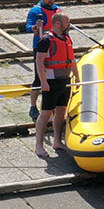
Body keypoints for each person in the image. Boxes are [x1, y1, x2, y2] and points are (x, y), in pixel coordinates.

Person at [33, 12, 76, 158]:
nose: (69, 25)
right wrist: (43, 81)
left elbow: (72, 58)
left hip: (65, 80)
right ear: (58, 23)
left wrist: (77, 75)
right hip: (51, 82)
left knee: (61, 112)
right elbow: (39, 61)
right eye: (67, 22)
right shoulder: (46, 40)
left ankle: (57, 141)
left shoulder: (67, 38)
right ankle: (39, 145)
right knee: (45, 114)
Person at [23, 0, 60, 122]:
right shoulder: (35, 11)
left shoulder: (58, 9)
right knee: (39, 78)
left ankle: (52, 107)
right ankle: (33, 106)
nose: (51, 0)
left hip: (55, 46)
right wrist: (36, 27)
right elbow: (28, 27)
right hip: (41, 46)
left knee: (54, 77)